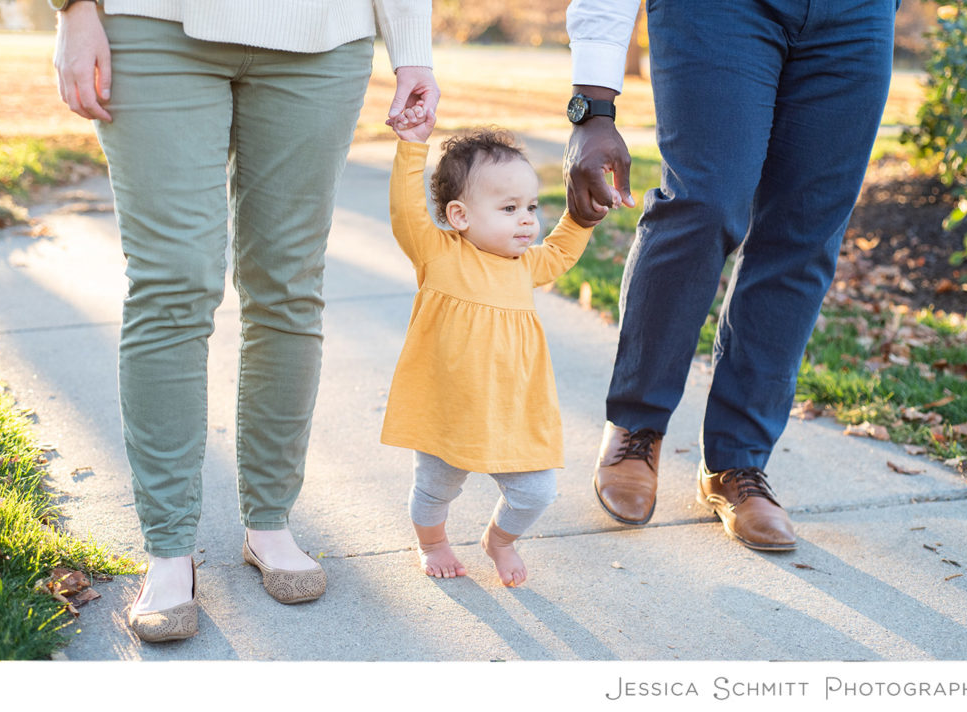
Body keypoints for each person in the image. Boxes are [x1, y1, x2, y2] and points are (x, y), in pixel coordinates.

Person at [52, 0, 438, 642]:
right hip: (149, 22)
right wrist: (71, 9)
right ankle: (169, 551)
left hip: (323, 35)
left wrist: (412, 46)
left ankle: (270, 523)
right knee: (173, 281)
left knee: (286, 284)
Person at [564, 0, 897, 549]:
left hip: (855, 16)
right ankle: (636, 424)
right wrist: (593, 106)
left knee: (804, 234)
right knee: (704, 205)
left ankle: (735, 461)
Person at [382, 110, 599, 586]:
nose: (526, 220)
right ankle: (432, 542)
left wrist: (582, 216)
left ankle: (499, 540)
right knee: (433, 492)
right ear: (459, 215)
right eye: (509, 209)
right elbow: (406, 211)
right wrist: (412, 146)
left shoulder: (524, 265)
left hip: (513, 412)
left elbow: (561, 249)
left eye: (531, 207)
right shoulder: (440, 255)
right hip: (446, 411)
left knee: (537, 492)